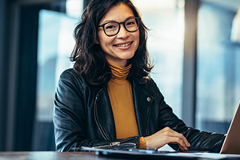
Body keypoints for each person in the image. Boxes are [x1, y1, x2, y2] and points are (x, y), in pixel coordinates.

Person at [53, 0, 225, 152]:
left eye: (129, 23)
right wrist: (141, 143)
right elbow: (69, 148)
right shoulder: (73, 82)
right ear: (95, 36)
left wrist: (230, 140)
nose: (124, 34)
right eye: (111, 27)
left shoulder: (146, 86)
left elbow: (183, 137)